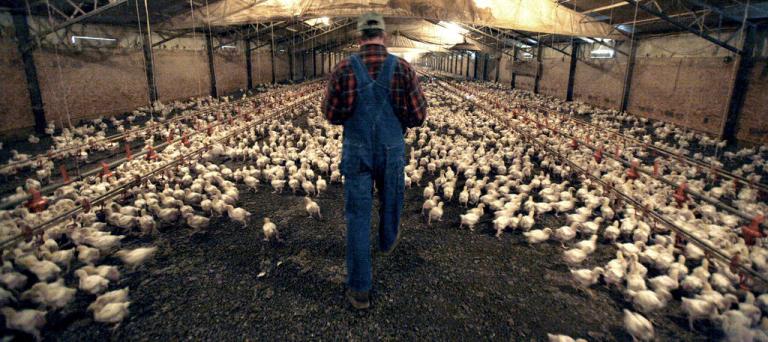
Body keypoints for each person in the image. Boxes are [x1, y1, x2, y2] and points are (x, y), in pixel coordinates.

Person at [322, 12, 427, 310]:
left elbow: (331, 114)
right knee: (392, 199)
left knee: (357, 217)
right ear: (385, 37)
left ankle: (359, 291)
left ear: (359, 38)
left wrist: (350, 117)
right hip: (391, 149)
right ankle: (387, 237)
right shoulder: (403, 69)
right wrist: (400, 120)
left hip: (356, 152)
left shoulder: (343, 68)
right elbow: (418, 115)